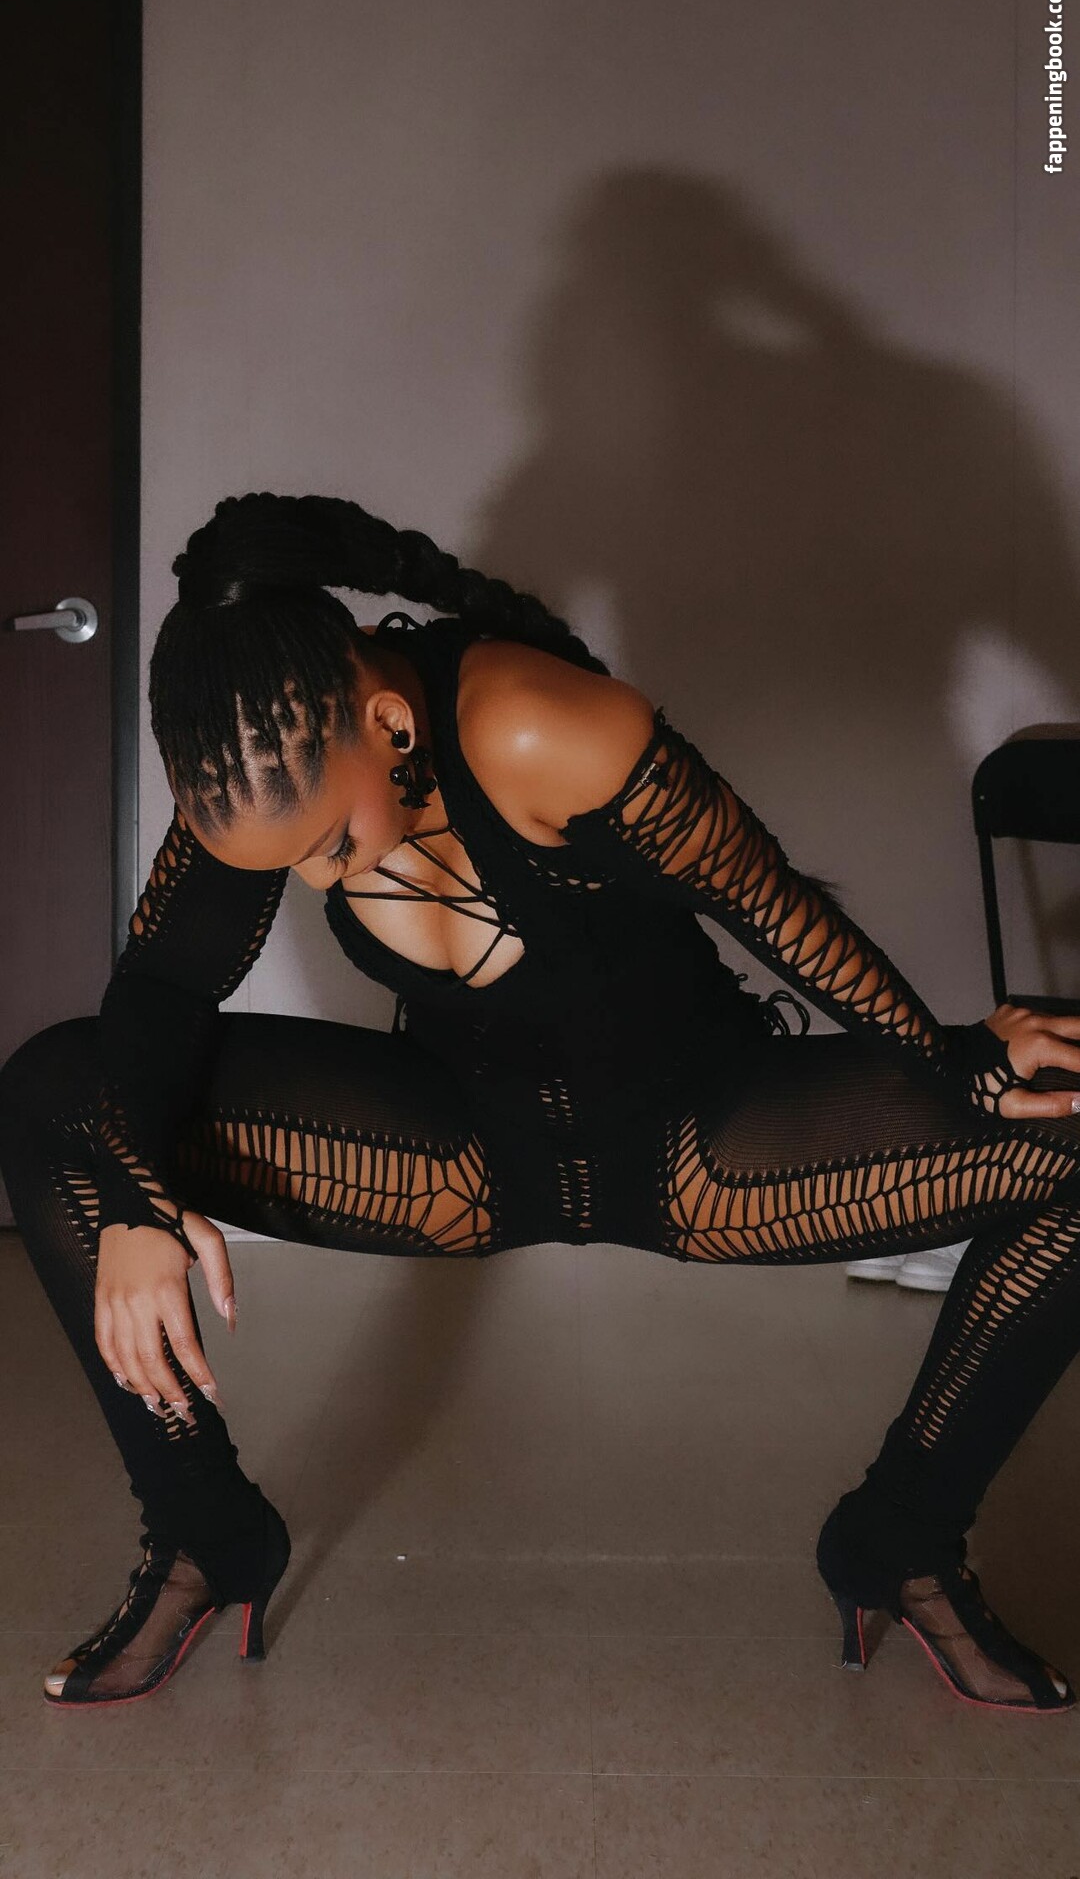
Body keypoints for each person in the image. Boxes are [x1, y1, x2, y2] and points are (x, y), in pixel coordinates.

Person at [4, 490, 1080, 1716]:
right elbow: (161, 992)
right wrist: (137, 1203)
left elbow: (776, 911)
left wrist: (954, 1058)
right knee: (54, 1091)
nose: (307, 880)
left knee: (1076, 1142)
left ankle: (904, 1538)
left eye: (327, 847)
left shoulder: (539, 727)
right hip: (463, 1158)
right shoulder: (259, 768)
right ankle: (208, 1534)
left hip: (700, 1145)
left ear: (389, 720)